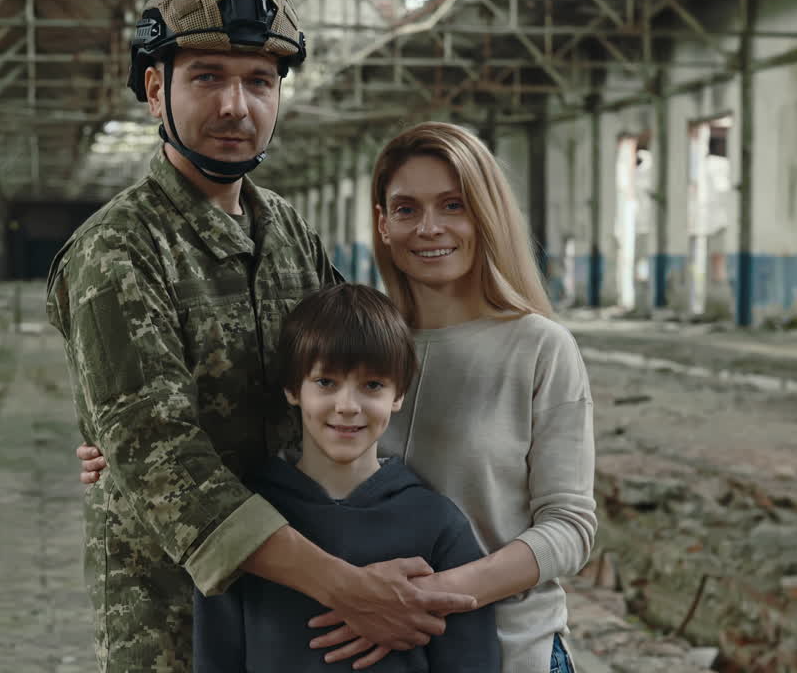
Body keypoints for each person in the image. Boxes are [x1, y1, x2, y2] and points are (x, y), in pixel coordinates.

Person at [47, 0, 476, 672]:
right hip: (174, 620)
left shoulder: (287, 231)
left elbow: (362, 366)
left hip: (301, 614)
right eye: (207, 77)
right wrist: (351, 588)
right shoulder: (118, 250)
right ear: (157, 89)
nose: (236, 107)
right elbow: (166, 465)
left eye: (259, 81)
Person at [79, 122, 597, 673]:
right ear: (383, 223)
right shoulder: (362, 343)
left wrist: (421, 599)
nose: (429, 227)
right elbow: (268, 414)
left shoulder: (540, 348)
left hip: (511, 646)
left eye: (453, 205)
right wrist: (128, 451)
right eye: (406, 209)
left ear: (487, 215)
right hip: (349, 643)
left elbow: (570, 527)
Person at [193, 283, 500, 672]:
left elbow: (472, 662)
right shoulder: (245, 525)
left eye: (372, 385)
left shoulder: (439, 525)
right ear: (292, 388)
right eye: (326, 382)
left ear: (399, 393)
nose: (348, 406)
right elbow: (215, 661)